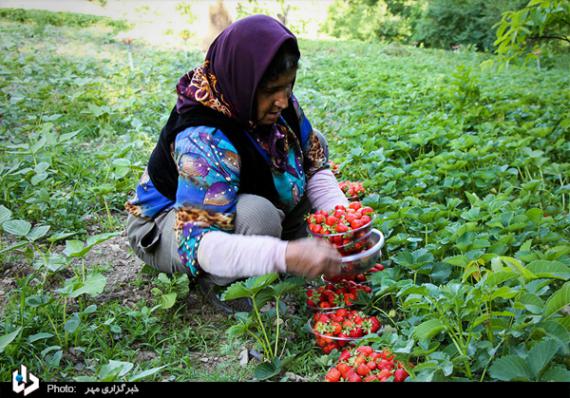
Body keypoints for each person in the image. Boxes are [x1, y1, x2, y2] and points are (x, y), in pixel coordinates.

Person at [125, 15, 349, 313]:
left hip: (228, 203)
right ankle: (225, 283)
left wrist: (345, 219)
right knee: (258, 216)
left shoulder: (279, 103)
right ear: (243, 81)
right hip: (169, 225)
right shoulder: (203, 136)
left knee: (309, 140)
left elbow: (312, 164)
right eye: (270, 90)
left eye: (289, 86)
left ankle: (277, 247)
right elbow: (200, 243)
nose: (282, 100)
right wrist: (285, 255)